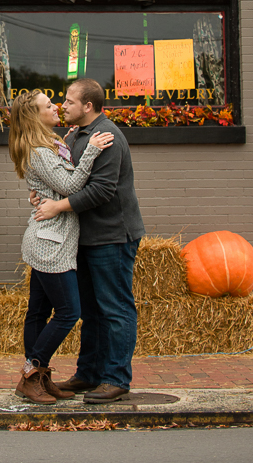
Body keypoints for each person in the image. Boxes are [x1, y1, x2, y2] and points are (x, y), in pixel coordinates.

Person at [32, 78, 145, 404]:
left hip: (112, 237)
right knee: (92, 311)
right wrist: (42, 193)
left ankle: (116, 378)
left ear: (88, 106)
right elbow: (69, 179)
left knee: (115, 309)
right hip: (87, 238)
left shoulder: (107, 138)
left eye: (69, 101)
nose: (62, 105)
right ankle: (89, 374)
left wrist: (58, 206)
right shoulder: (77, 136)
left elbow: (101, 191)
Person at [9, 89, 115, 405]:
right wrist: (92, 150)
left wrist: (67, 143)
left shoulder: (48, 145)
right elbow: (69, 186)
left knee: (39, 312)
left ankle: (39, 380)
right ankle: (32, 372)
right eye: (47, 105)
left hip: (47, 239)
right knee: (70, 311)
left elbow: (55, 178)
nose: (56, 106)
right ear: (34, 116)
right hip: (50, 245)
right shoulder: (39, 152)